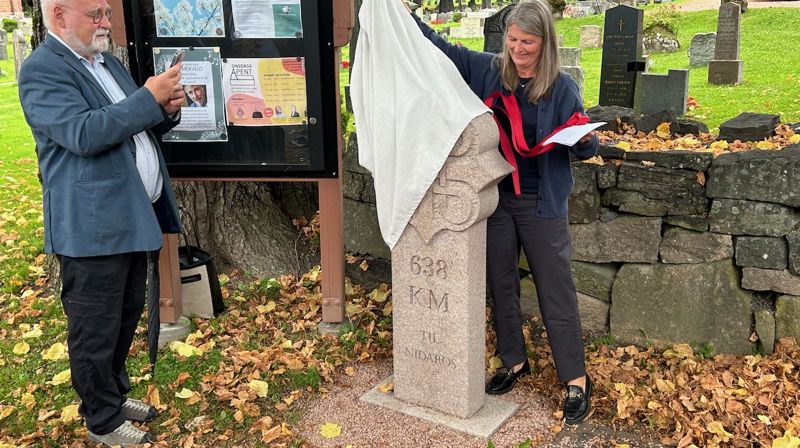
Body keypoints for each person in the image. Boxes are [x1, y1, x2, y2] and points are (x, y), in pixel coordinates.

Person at [408, 0, 598, 424]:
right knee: (501, 282)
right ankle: (514, 360)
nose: (518, 49)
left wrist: (585, 144)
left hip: (541, 203)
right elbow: (445, 50)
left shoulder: (561, 87)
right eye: (513, 39)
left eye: (527, 42)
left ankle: (576, 379)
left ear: (545, 42)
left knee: (555, 288)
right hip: (497, 201)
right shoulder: (492, 71)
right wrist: (402, 15)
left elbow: (584, 139)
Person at [18, 0, 184, 445]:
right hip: (90, 228)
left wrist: (164, 108)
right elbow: (85, 133)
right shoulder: (42, 70)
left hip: (131, 215)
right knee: (95, 328)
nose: (107, 23)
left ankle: (111, 394)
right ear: (58, 16)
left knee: (123, 318)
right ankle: (102, 420)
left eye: (107, 13)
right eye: (96, 14)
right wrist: (148, 97)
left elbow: (133, 123)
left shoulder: (106, 62)